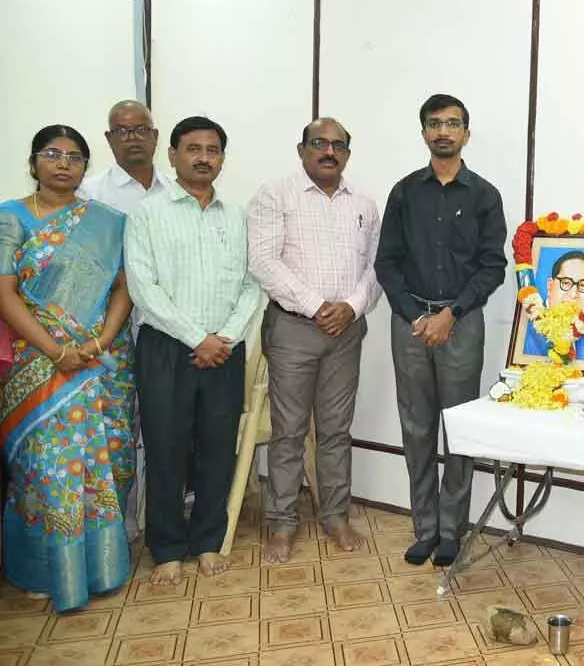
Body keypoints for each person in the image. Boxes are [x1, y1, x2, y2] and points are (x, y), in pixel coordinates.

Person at [0, 125, 136, 612]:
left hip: (100, 360)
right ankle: (41, 568)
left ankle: (100, 568)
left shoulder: (106, 221)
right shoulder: (10, 217)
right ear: (33, 161)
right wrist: (56, 351)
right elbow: (5, 293)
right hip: (37, 363)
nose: (63, 163)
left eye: (74, 156)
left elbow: (123, 287)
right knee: (45, 471)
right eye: (52, 154)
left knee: (111, 456)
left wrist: (98, 340)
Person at [125, 116, 261, 585]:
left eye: (213, 150)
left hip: (223, 348)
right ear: (174, 154)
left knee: (217, 448)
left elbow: (250, 283)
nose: (204, 158)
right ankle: (165, 548)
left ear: (222, 157)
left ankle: (207, 541)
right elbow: (144, 288)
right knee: (165, 447)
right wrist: (195, 337)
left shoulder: (237, 215)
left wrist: (223, 336)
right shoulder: (148, 213)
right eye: (194, 149)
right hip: (167, 347)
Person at [375, 94, 507, 568]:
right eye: (435, 124)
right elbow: (386, 264)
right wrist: (417, 315)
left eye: (453, 124)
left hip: (462, 323)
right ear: (424, 133)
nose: (443, 132)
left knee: (460, 430)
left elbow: (493, 266)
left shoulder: (484, 195)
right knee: (416, 428)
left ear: (466, 133)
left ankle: (452, 530)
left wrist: (451, 312)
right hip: (409, 323)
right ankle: (424, 529)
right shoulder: (405, 192)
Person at [248, 117, 381, 564]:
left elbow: (376, 267)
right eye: (319, 143)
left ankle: (335, 515)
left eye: (338, 145)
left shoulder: (364, 202)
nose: (329, 151)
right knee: (287, 433)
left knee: (336, 431)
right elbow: (263, 260)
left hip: (346, 331)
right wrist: (316, 306)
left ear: (348, 152)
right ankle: (283, 523)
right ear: (302, 148)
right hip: (293, 329)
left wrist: (351, 307)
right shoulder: (275, 195)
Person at [77, 99, 176, 544]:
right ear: (108, 140)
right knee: (116, 432)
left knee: (164, 428)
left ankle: (164, 520)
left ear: (156, 137)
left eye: (141, 129)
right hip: (108, 334)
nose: (132, 137)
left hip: (164, 330)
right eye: (122, 130)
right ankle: (119, 527)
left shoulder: (175, 190)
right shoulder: (90, 193)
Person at [522, 249, 584, 361]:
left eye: (583, 285)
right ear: (550, 286)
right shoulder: (525, 331)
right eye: (566, 283)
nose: (574, 294)